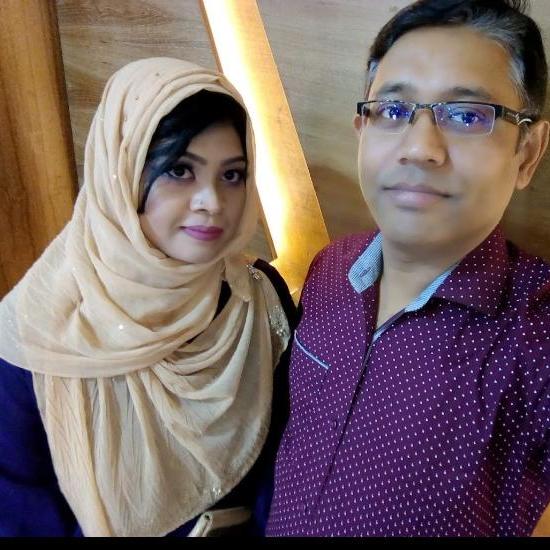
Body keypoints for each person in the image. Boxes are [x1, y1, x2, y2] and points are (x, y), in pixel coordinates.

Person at [266, 0, 550, 537]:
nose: (420, 148)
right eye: (393, 111)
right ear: (361, 130)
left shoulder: (535, 339)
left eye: (467, 115)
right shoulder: (330, 270)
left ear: (528, 152)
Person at [0, 57, 295, 537]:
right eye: (180, 170)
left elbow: (288, 475)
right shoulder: (36, 334)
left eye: (232, 175)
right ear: (120, 173)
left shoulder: (257, 301)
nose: (212, 202)